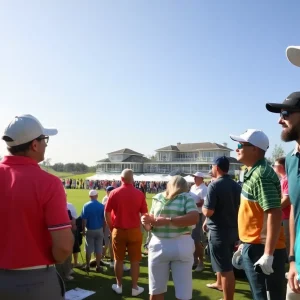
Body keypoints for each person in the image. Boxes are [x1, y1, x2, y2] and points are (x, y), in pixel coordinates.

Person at [0, 114, 74, 300]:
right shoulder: (49, 183)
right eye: (44, 139)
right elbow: (64, 248)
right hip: (34, 281)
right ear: (34, 144)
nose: (46, 144)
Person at [230, 129, 286, 300]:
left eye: (241, 145)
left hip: (261, 248)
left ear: (255, 148)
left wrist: (268, 254)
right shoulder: (255, 171)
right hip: (255, 244)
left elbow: (274, 213)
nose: (237, 148)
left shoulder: (261, 175)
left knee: (262, 295)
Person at [141, 176, 199, 300]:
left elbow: (151, 225)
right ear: (184, 186)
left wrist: (164, 221)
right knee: (183, 293)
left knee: (156, 290)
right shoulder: (187, 197)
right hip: (181, 244)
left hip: (159, 244)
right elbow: (194, 217)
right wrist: (147, 221)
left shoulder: (158, 198)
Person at [266, 92, 300, 299]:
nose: (280, 120)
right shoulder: (290, 159)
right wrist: (293, 259)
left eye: (285, 113)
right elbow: (295, 209)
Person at [202, 156, 241, 300]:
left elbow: (208, 211)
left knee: (226, 269)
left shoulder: (214, 185)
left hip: (219, 231)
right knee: (225, 267)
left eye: (212, 166)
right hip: (232, 230)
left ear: (216, 167)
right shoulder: (235, 184)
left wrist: (204, 210)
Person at [105, 169, 148, 297]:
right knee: (135, 261)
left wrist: (111, 227)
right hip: (134, 230)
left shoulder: (113, 192)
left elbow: (106, 213)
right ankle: (135, 287)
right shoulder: (139, 194)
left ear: (121, 179)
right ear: (132, 179)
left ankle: (119, 285)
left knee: (118, 260)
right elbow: (144, 214)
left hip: (118, 230)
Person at [81, 189, 105, 272]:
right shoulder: (101, 206)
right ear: (97, 196)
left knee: (88, 249)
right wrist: (104, 229)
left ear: (89, 196)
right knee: (99, 249)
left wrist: (83, 230)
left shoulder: (86, 205)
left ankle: (87, 266)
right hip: (99, 229)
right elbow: (104, 219)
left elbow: (84, 220)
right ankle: (98, 266)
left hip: (90, 229)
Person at [273, 157, 291, 257]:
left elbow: (287, 200)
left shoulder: (286, 180)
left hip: (288, 215)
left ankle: (292, 262)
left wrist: (275, 209)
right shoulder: (283, 180)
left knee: (288, 239)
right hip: (284, 215)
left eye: (274, 166)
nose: (273, 168)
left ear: (280, 167)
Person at [190, 171, 207, 272]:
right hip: (193, 214)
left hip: (199, 215)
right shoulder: (193, 187)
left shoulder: (204, 189)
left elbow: (204, 203)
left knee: (197, 239)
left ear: (201, 179)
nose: (194, 179)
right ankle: (195, 260)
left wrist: (192, 205)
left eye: (196, 177)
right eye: (194, 177)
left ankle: (201, 262)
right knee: (193, 239)